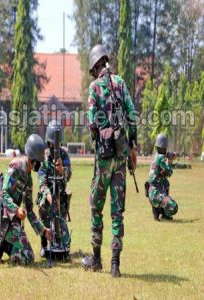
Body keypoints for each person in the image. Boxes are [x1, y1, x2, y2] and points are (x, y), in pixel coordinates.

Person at [81, 44, 137, 277]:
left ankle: (96, 259)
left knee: (96, 207)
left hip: (103, 159)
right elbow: (132, 116)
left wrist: (98, 135)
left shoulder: (94, 88)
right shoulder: (121, 83)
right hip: (120, 157)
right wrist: (131, 144)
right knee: (117, 213)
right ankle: (115, 265)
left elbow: (92, 122)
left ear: (95, 66)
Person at [0, 134, 51, 265]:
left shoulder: (28, 179)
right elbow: (3, 194)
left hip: (14, 220)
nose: (40, 164)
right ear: (32, 159)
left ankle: (6, 243)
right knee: (27, 258)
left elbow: (30, 211)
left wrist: (44, 231)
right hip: (6, 217)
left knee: (28, 257)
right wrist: (16, 210)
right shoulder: (16, 166)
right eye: (39, 161)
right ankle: (1, 241)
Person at [37, 120, 72, 258]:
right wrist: (49, 197)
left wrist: (62, 171)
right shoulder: (43, 156)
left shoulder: (64, 155)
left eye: (56, 143)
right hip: (48, 200)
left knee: (65, 243)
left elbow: (69, 175)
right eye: (52, 143)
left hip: (60, 201)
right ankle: (44, 243)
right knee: (43, 207)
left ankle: (59, 241)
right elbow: (42, 182)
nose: (54, 146)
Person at [146, 133, 178, 221]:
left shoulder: (156, 156)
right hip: (155, 194)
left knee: (165, 183)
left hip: (152, 192)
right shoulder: (161, 158)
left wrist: (168, 155)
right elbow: (169, 173)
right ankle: (161, 212)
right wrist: (170, 160)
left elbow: (162, 172)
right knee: (174, 207)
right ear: (164, 147)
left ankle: (160, 213)